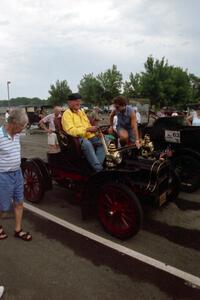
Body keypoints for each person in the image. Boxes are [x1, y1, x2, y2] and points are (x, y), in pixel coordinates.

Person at [0, 109, 32, 241]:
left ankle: (18, 230)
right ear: (13, 123)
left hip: (17, 173)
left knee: (19, 202)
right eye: (21, 126)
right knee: (3, 206)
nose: (22, 129)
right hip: (3, 175)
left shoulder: (17, 134)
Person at [61, 93, 105, 172]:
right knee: (87, 144)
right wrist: (87, 130)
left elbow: (88, 124)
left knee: (104, 140)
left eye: (79, 101)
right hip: (76, 138)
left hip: (88, 136)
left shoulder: (81, 111)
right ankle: (99, 169)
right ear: (69, 102)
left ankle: (97, 165)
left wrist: (96, 133)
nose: (78, 103)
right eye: (76, 101)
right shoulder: (67, 114)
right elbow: (71, 131)